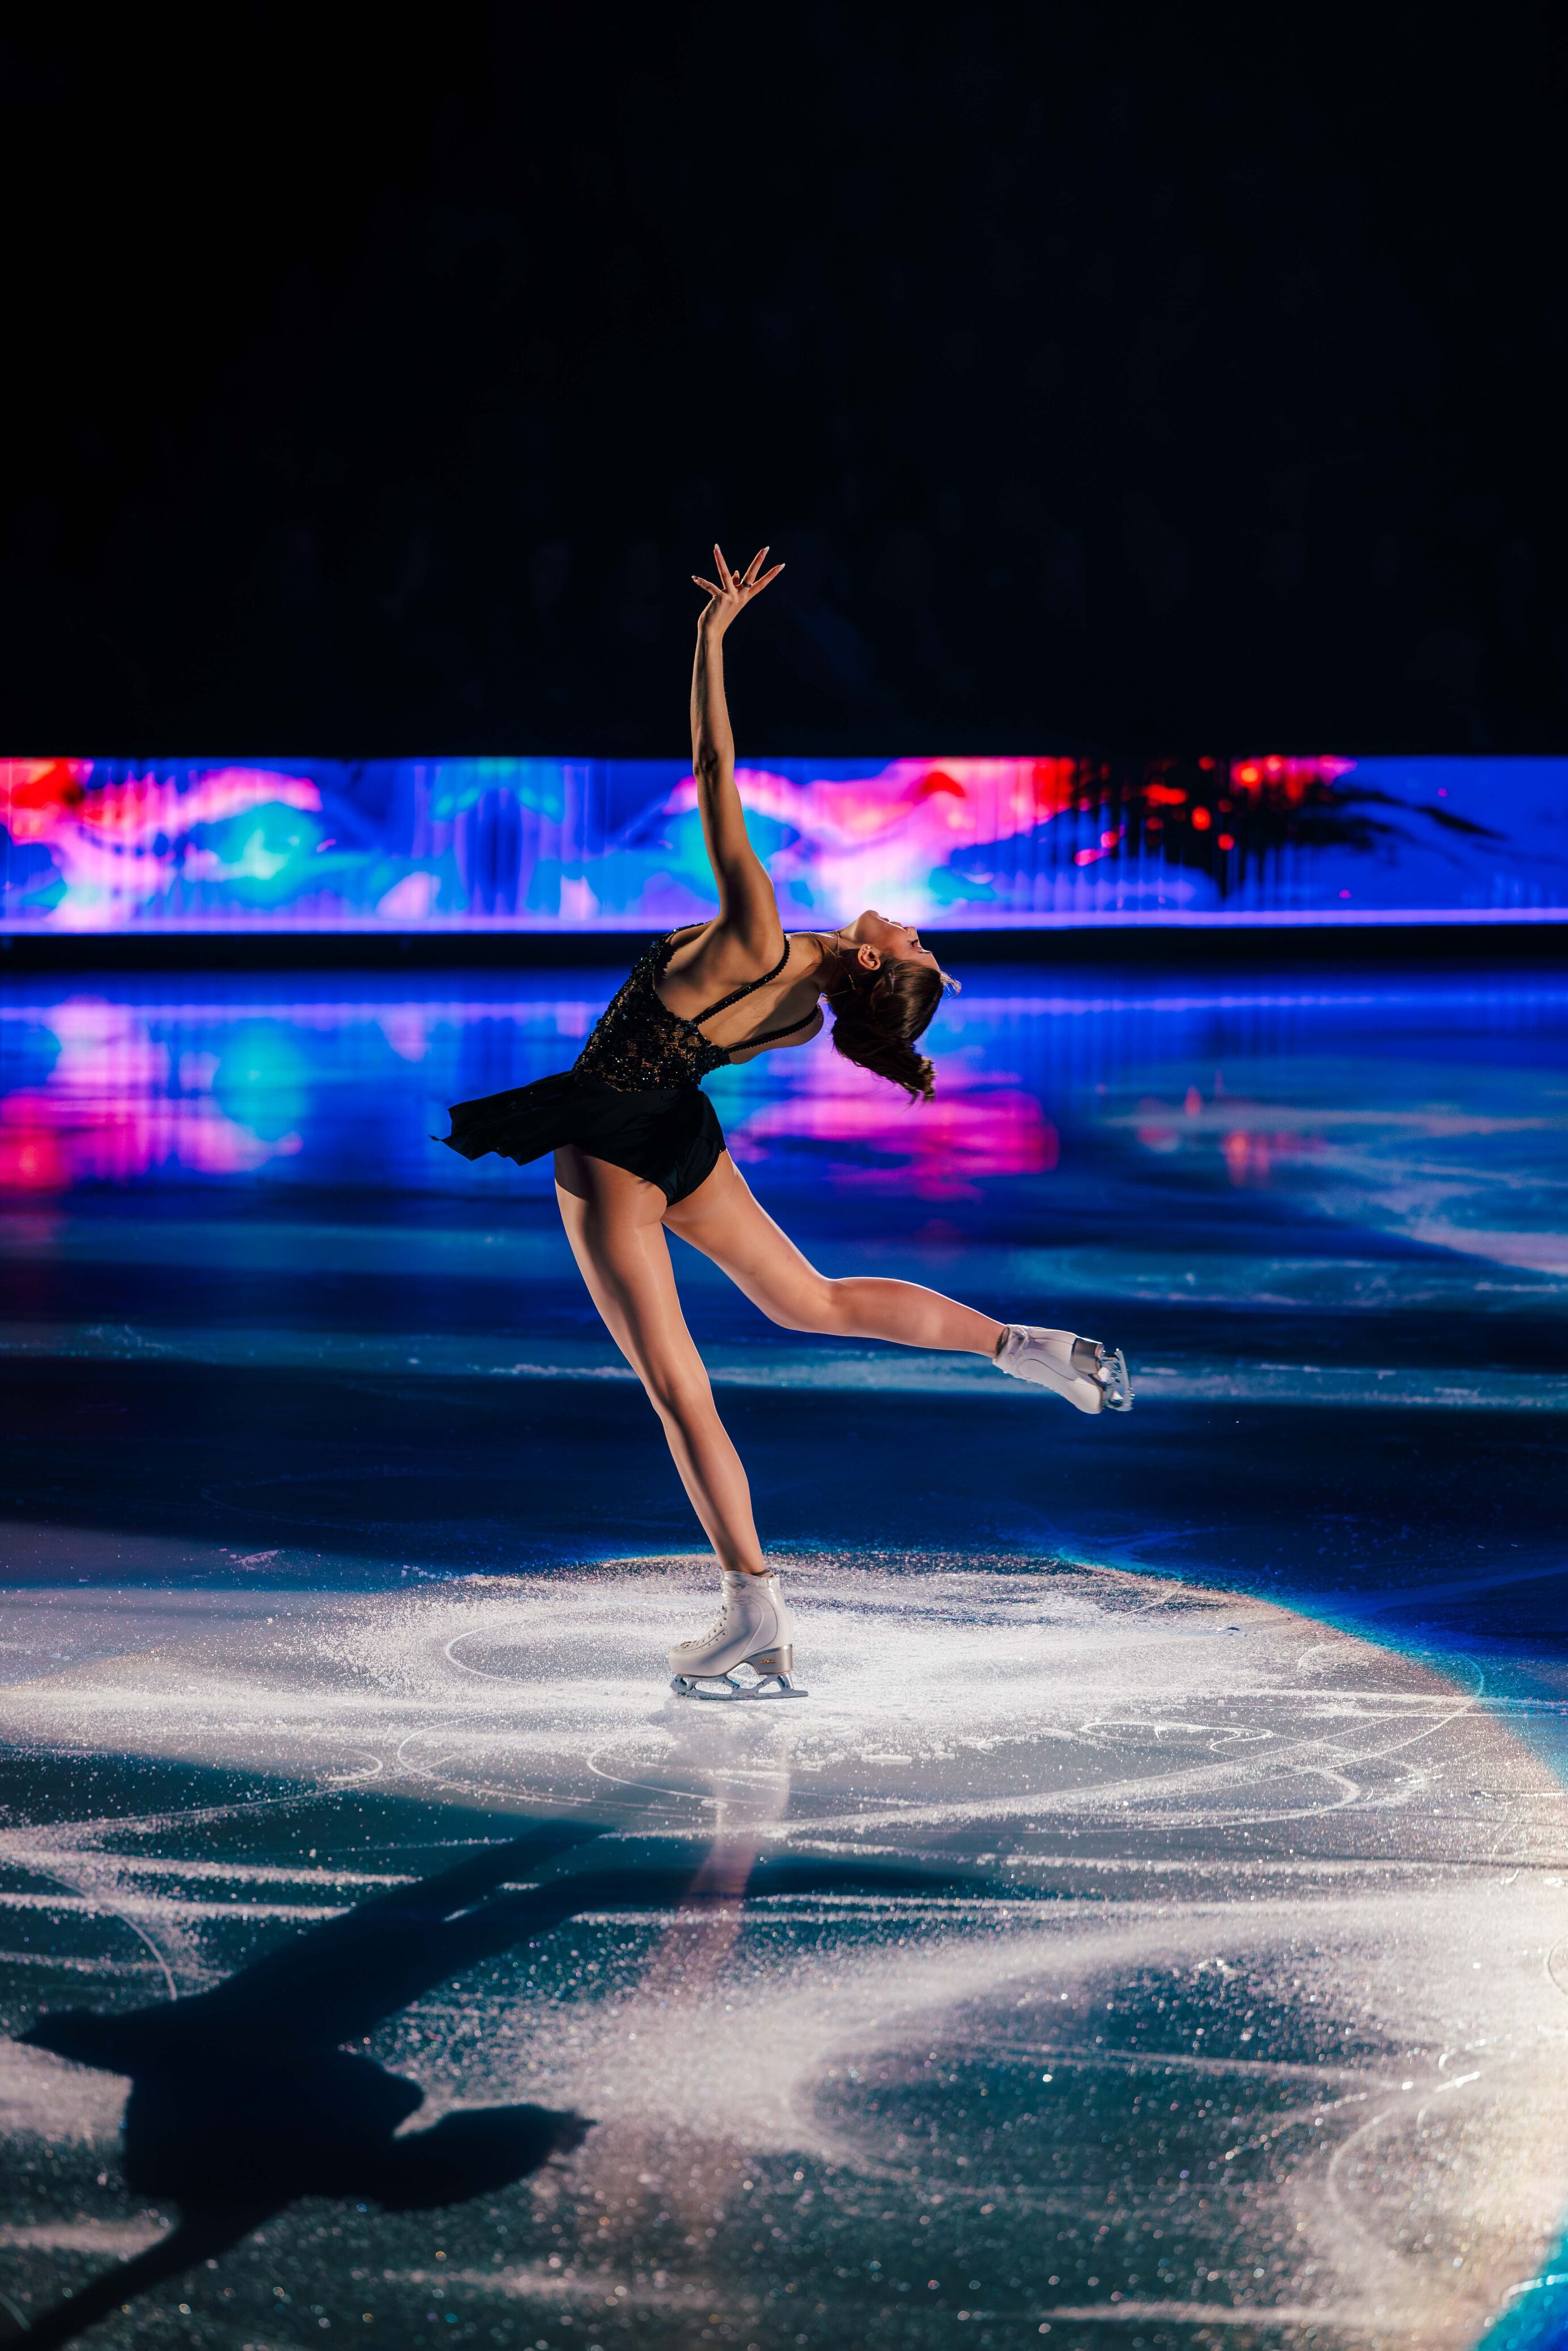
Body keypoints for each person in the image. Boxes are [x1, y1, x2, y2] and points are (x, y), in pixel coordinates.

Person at [442, 545, 1132, 1696]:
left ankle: (753, 1608)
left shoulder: (763, 937)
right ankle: (1028, 1349)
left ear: (868, 955)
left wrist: (712, 639)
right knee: (807, 1299)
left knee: (679, 1384)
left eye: (915, 941)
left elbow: (716, 768)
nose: (912, 926)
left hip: (616, 1141)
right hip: (679, 1132)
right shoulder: (806, 1013)